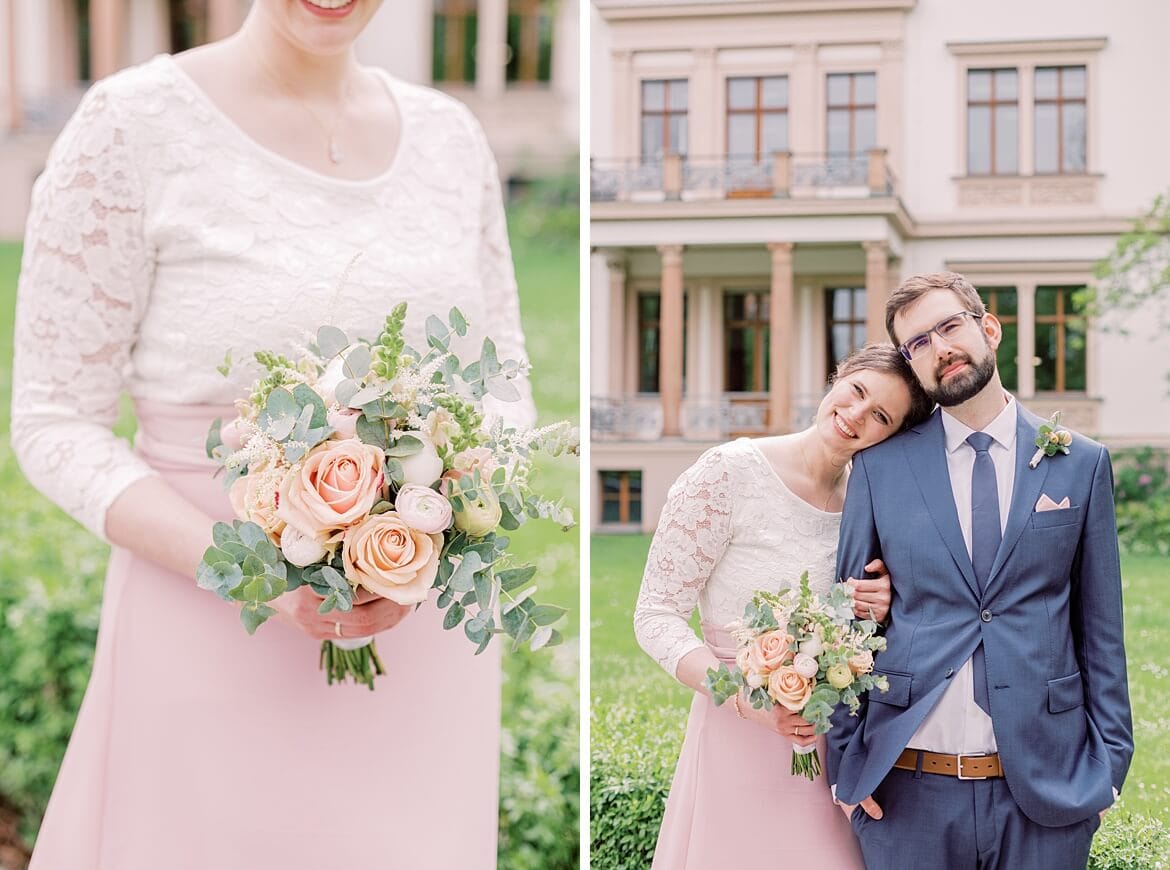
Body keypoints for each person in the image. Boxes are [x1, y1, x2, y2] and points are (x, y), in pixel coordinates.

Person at [10, 1, 534, 866]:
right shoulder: (131, 125)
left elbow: (505, 377)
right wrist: (252, 573)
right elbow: (52, 419)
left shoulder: (452, 137)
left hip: (420, 635)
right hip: (209, 630)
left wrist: (449, 498)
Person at [828, 272, 1133, 869]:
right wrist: (847, 769)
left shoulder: (1079, 463)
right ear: (913, 368)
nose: (939, 348)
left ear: (987, 327)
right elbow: (848, 620)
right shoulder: (879, 469)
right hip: (906, 792)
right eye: (917, 344)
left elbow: (1101, 628)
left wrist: (1108, 771)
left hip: (1047, 796)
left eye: (949, 327)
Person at [633, 344, 934, 869]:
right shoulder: (729, 472)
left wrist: (881, 604)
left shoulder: (871, 504)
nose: (856, 415)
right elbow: (654, 616)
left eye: (881, 415)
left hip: (829, 750)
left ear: (894, 434)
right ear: (837, 378)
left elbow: (883, 629)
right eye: (856, 391)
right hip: (734, 737)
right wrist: (748, 701)